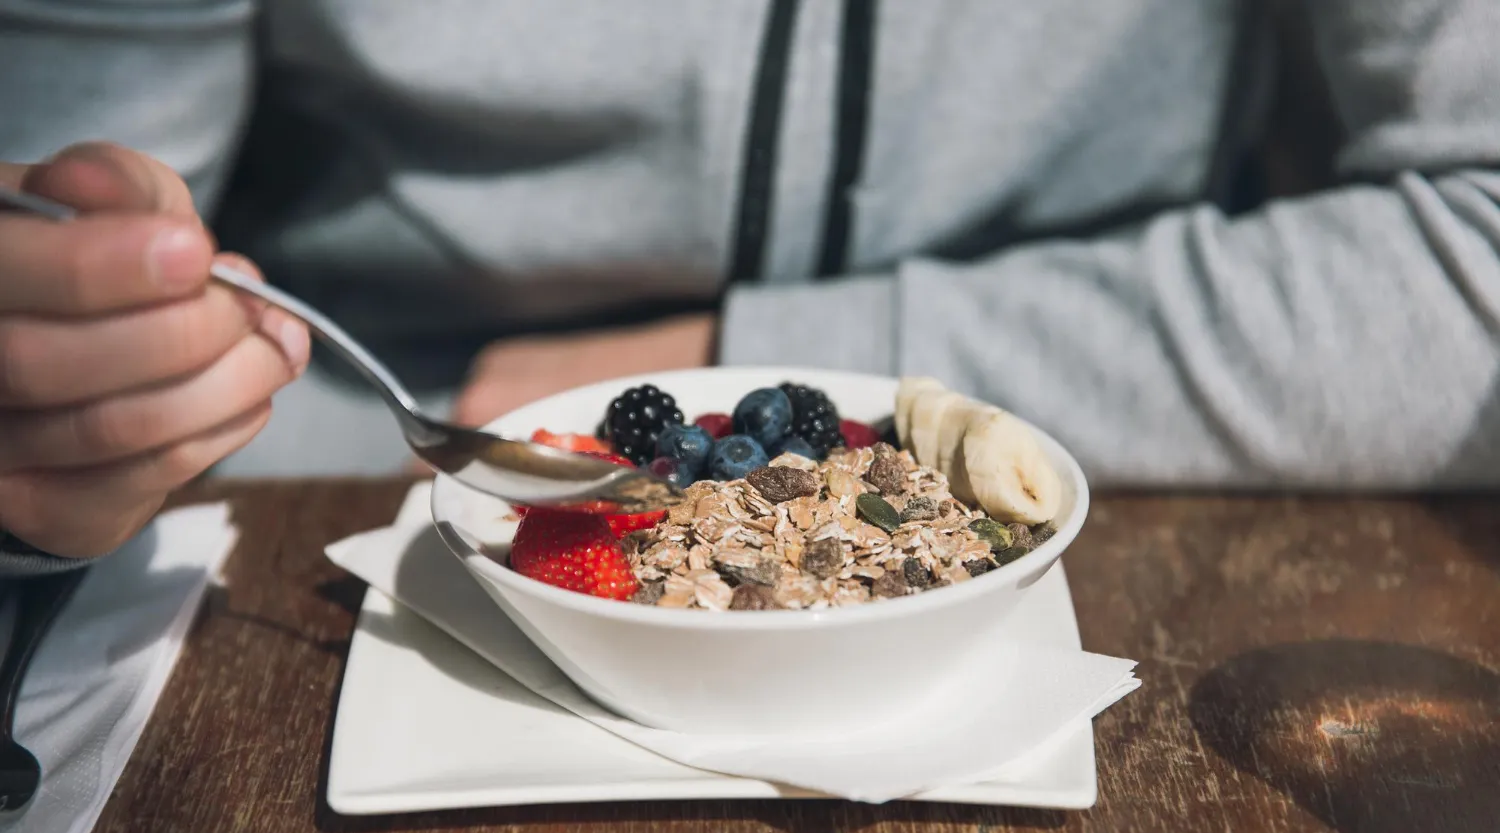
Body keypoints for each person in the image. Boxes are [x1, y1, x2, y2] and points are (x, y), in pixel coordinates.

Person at [1, 0, 1498, 578]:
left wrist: (760, 360)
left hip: (1087, 485)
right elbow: (65, 199)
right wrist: (48, 431)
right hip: (326, 456)